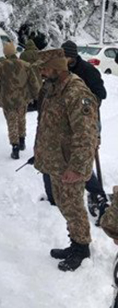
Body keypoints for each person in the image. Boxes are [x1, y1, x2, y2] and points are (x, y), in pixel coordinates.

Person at [32, 49, 98, 271]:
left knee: (74, 207)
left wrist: (77, 168)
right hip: (56, 162)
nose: (41, 72)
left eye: (45, 67)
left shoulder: (76, 93)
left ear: (58, 68)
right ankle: (75, 242)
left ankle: (81, 248)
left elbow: (86, 135)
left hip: (70, 165)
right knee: (65, 205)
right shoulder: (53, 88)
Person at [56, 40, 108, 219]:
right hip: (66, 125)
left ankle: (98, 195)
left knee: (85, 158)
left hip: (88, 121)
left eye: (66, 56)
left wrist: (84, 103)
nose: (64, 59)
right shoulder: (62, 71)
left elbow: (101, 94)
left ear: (73, 56)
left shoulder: (88, 71)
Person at [0, 42, 40, 159]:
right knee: (21, 119)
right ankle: (22, 140)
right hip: (22, 98)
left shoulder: (0, 66)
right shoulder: (26, 65)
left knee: (11, 122)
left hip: (7, 100)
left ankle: (15, 147)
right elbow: (33, 83)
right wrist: (35, 96)